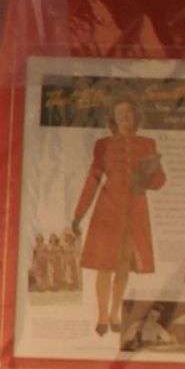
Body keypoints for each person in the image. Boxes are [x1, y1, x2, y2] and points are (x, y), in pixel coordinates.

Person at [66, 95, 164, 342]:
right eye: (120, 115)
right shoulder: (103, 144)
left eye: (128, 114)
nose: (124, 118)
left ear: (135, 117)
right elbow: (93, 180)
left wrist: (147, 179)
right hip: (107, 210)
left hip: (135, 209)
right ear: (113, 119)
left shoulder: (147, 143)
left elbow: (160, 180)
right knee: (104, 266)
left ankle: (114, 314)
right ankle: (101, 316)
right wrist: (78, 215)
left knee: (123, 265)